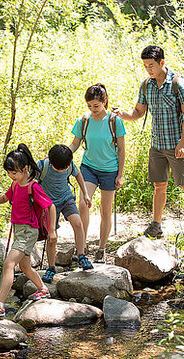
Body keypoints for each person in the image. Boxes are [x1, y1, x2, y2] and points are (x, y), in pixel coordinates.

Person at [117, 45, 184, 239]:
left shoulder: (178, 83)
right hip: (157, 144)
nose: (148, 69)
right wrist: (122, 114)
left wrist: (183, 144)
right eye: (145, 65)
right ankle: (156, 225)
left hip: (176, 144)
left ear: (162, 62)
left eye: (151, 65)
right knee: (159, 185)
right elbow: (138, 112)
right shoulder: (147, 85)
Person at [0, 144, 57, 320]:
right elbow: (5, 198)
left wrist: (52, 231)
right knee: (25, 266)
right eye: (9, 173)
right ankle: (43, 289)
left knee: (8, 264)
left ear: (25, 169)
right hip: (19, 231)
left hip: (28, 232)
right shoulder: (15, 186)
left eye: (14, 172)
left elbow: (50, 206)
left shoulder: (33, 187)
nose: (11, 176)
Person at [68, 84, 126, 262]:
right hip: (89, 167)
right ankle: (82, 246)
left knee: (105, 211)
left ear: (104, 102)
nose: (93, 110)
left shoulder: (114, 121)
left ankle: (102, 248)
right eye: (89, 106)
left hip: (110, 169)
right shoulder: (84, 120)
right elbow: (75, 144)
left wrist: (120, 174)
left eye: (96, 106)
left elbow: (122, 149)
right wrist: (61, 156)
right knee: (83, 204)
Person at [37, 144, 94, 283]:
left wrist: (85, 194)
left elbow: (78, 174)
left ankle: (81, 255)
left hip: (66, 198)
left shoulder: (68, 164)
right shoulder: (42, 166)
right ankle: (51, 267)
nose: (63, 170)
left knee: (78, 223)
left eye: (65, 167)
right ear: (51, 162)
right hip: (49, 205)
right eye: (60, 168)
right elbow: (29, 180)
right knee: (52, 236)